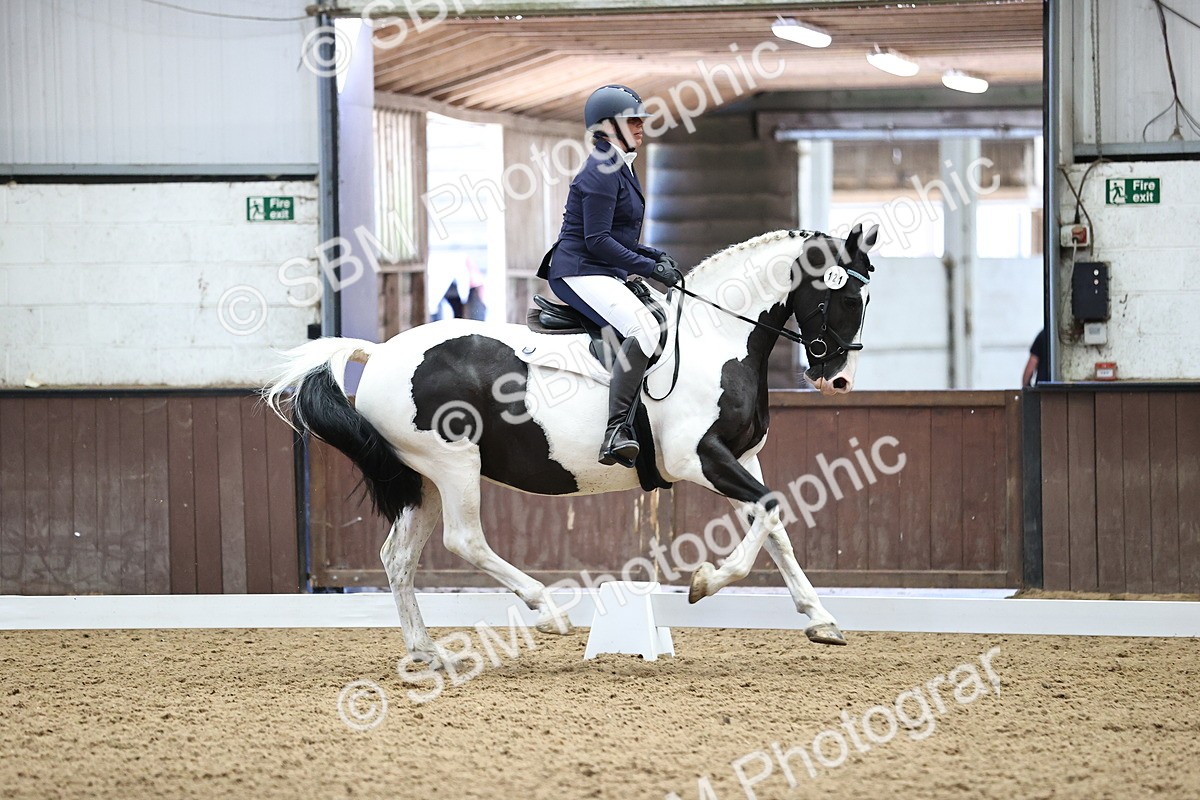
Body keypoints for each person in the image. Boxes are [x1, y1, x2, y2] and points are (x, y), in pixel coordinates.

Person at [541, 84, 683, 468]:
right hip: (579, 270)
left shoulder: (621, 163)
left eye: (640, 120)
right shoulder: (602, 169)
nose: (640, 127)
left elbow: (619, 235)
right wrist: (649, 269)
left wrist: (655, 255)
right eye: (632, 120)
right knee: (643, 330)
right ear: (607, 127)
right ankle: (615, 432)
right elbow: (598, 240)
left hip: (601, 267)